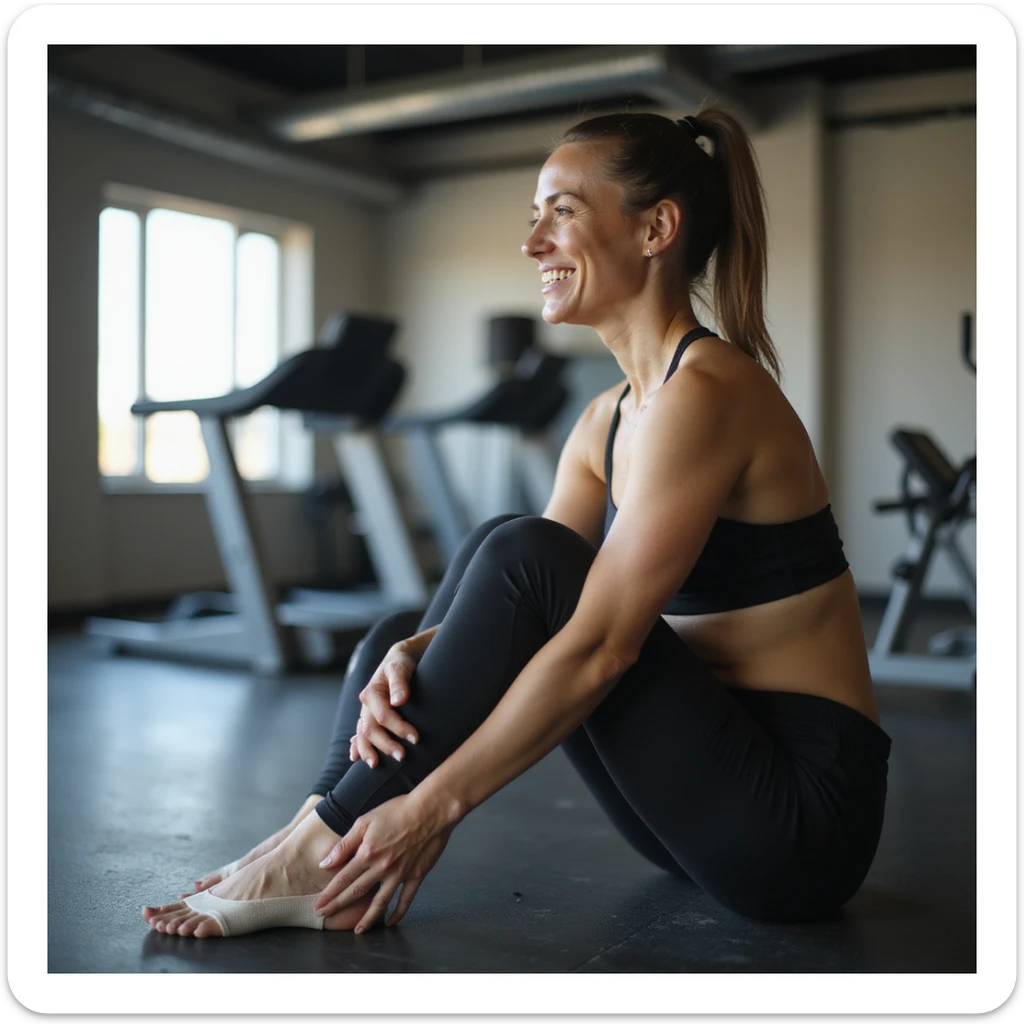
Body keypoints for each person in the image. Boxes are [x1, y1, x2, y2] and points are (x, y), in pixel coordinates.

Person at [142, 108, 892, 939]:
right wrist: (410, 649)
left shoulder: (711, 391)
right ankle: (316, 830)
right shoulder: (603, 419)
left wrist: (432, 809)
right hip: (693, 806)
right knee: (410, 616)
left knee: (527, 551)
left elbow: (599, 642)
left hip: (796, 825)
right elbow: (512, 600)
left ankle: (316, 850)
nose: (534, 243)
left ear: (657, 228)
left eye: (562, 211)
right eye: (533, 217)